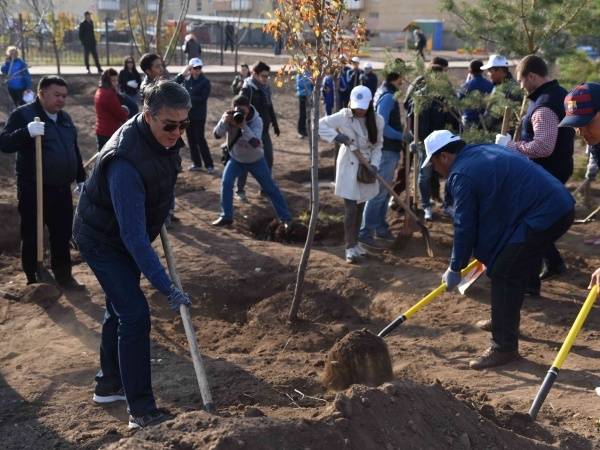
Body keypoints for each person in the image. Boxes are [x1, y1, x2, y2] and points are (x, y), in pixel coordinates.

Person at [73, 80, 192, 429]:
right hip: (102, 240)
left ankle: (109, 385)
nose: (177, 133)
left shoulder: (162, 137)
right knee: (135, 314)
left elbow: (163, 171)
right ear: (147, 115)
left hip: (123, 233)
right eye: (169, 125)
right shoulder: (124, 161)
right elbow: (133, 238)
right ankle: (141, 411)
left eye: (183, 124)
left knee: (119, 307)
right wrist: (166, 286)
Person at [422, 130, 574, 369]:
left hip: (545, 213)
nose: (435, 169)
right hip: (558, 206)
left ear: (443, 157)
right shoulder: (482, 150)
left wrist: (456, 266)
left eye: (432, 163)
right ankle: (503, 320)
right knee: (510, 264)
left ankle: (503, 347)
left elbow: (465, 224)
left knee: (504, 271)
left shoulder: (462, 174)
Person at [496, 55, 575, 287]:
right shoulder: (559, 94)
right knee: (536, 220)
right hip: (558, 167)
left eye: (522, 81)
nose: (521, 87)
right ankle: (553, 263)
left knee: (531, 222)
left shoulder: (544, 104)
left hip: (546, 172)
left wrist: (509, 146)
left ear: (532, 76)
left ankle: (530, 280)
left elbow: (543, 146)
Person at [0, 76, 85, 287]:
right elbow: (5, 143)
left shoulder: (64, 118)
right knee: (32, 232)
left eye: (64, 96)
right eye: (57, 95)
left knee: (62, 232)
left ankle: (64, 274)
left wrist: (81, 178)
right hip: (34, 187)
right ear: (41, 93)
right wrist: (26, 133)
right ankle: (34, 275)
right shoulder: (23, 115)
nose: (61, 100)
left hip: (61, 188)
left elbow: (73, 149)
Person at [319, 86, 384, 263]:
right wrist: (336, 137)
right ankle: (349, 247)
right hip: (349, 163)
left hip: (366, 165)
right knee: (350, 206)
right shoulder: (344, 115)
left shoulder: (377, 120)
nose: (360, 110)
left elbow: (378, 146)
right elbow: (320, 124)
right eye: (357, 106)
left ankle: (356, 244)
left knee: (361, 204)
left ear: (370, 104)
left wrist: (375, 165)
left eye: (363, 106)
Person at [211, 95, 292, 227]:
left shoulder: (257, 121)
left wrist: (243, 126)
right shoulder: (229, 116)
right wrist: (224, 122)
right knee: (226, 183)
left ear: (249, 108)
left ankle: (286, 218)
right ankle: (226, 216)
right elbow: (216, 135)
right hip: (236, 159)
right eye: (238, 110)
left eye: (243, 111)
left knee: (270, 188)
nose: (240, 114)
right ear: (233, 108)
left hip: (256, 160)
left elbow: (255, 143)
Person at [359, 71, 411, 247]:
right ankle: (365, 232)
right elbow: (382, 126)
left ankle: (380, 227)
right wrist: (402, 136)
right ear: (397, 77)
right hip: (386, 150)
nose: (404, 81)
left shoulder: (382, 91)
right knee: (379, 192)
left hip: (388, 149)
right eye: (403, 77)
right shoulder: (388, 97)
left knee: (383, 191)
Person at [404, 57, 459, 221]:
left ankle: (448, 203)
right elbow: (411, 116)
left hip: (445, 141)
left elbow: (454, 117)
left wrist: (455, 135)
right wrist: (414, 138)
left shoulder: (447, 94)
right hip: (425, 142)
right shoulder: (420, 95)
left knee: (449, 172)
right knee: (425, 174)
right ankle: (426, 205)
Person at [237, 61, 280, 201]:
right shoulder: (247, 89)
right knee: (245, 160)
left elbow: (269, 105)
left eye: (267, 76)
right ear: (254, 74)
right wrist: (244, 129)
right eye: (263, 76)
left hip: (264, 130)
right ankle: (240, 190)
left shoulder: (265, 88)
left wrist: (275, 123)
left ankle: (265, 189)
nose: (265, 79)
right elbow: (240, 109)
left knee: (268, 159)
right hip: (250, 131)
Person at [175, 58, 214, 173]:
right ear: (190, 69)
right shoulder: (186, 80)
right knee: (191, 139)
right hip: (188, 115)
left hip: (199, 115)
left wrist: (187, 97)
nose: (198, 70)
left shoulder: (205, 82)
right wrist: (183, 73)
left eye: (199, 68)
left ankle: (209, 164)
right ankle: (197, 163)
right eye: (195, 68)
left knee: (200, 139)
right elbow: (174, 84)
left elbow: (202, 99)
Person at [481, 54, 523, 133]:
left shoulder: (513, 90)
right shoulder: (497, 86)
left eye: (490, 71)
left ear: (500, 70)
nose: (488, 74)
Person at [95, 69, 130, 152]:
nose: (116, 83)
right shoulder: (109, 94)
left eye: (117, 80)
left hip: (101, 130)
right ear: (107, 81)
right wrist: (125, 111)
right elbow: (120, 114)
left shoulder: (99, 90)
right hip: (109, 132)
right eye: (113, 80)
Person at [458, 59, 493, 128]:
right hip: (485, 120)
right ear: (482, 70)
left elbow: (458, 101)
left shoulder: (465, 86)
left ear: (469, 70)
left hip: (468, 118)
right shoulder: (490, 85)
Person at [296, 70, 313, 139]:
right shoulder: (300, 72)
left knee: (309, 114)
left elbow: (313, 84)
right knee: (302, 114)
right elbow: (300, 83)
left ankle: (307, 130)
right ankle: (300, 131)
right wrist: (310, 81)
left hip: (310, 96)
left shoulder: (311, 71)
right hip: (302, 95)